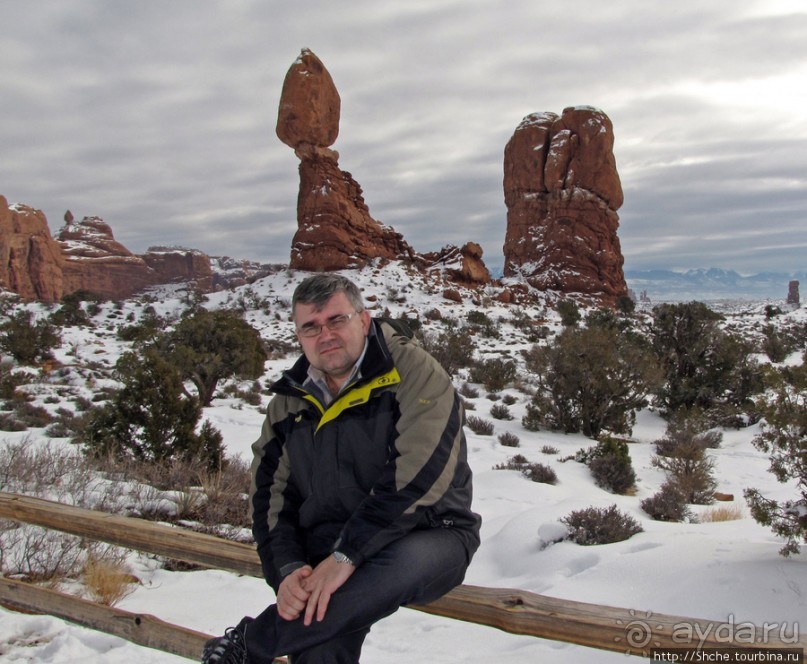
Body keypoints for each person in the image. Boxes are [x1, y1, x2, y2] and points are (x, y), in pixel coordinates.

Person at [202, 273, 481, 664]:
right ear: (298, 336)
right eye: (311, 327)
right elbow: (269, 495)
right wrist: (286, 568)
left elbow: (418, 476)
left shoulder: (414, 373)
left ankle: (251, 645)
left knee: (356, 583)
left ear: (364, 321)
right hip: (332, 542)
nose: (325, 335)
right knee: (320, 632)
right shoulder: (290, 401)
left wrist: (346, 556)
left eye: (337, 320)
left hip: (431, 532)